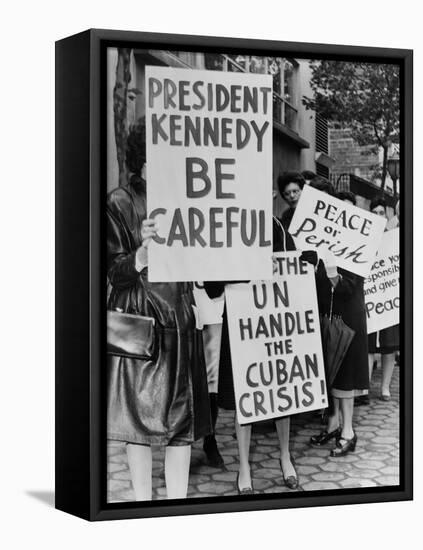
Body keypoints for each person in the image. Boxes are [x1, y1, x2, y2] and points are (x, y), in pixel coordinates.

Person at [107, 120, 211, 500]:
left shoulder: (191, 200)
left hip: (181, 321)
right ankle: (140, 505)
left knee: (181, 424)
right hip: (137, 324)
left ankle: (176, 507)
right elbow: (112, 272)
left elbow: (206, 269)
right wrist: (140, 255)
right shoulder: (119, 202)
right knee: (136, 423)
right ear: (145, 156)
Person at [204, 193, 299, 494]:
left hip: (274, 323)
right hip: (240, 323)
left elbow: (295, 272)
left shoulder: (277, 229)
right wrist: (245, 269)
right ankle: (244, 467)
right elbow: (212, 288)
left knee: (279, 390)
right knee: (246, 396)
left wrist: (294, 264)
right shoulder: (226, 232)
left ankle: (285, 457)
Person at [309, 187, 369, 456]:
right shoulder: (319, 240)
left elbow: (347, 288)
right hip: (326, 316)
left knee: (344, 377)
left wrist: (331, 267)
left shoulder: (359, 246)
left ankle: (349, 431)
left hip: (348, 320)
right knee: (331, 374)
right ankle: (334, 424)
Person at [367, 197, 400, 401]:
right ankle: (365, 385)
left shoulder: (393, 238)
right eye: (374, 212)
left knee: (389, 346)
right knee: (368, 346)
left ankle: (385, 387)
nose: (378, 216)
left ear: (386, 216)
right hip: (370, 300)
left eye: (381, 213)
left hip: (388, 300)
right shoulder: (362, 237)